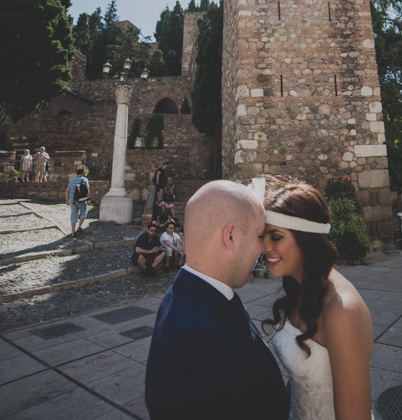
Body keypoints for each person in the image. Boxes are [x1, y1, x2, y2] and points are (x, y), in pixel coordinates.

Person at [145, 180, 289, 420]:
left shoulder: (191, 295)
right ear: (230, 236)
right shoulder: (198, 339)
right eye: (259, 236)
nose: (263, 248)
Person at [261, 176, 374, 420]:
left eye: (276, 237)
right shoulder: (302, 288)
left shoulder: (341, 311)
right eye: (264, 236)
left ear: (306, 238)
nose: (265, 247)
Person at [65, 167, 90, 237]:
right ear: (82, 173)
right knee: (84, 212)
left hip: (72, 201)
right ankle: (79, 226)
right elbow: (87, 191)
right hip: (81, 200)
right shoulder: (85, 180)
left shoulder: (71, 181)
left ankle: (73, 231)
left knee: (73, 215)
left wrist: (67, 200)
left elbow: (67, 191)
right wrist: (88, 199)